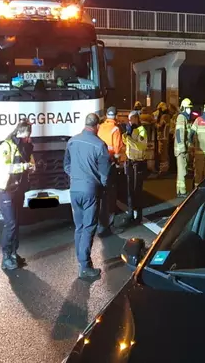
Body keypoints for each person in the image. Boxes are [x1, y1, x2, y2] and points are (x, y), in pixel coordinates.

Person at [63, 113, 112, 279]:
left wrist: (75, 177)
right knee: (89, 227)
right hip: (90, 190)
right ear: (97, 126)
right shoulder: (100, 145)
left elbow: (66, 165)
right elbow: (105, 174)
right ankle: (84, 266)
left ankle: (81, 261)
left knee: (79, 226)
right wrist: (102, 186)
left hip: (74, 189)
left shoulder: (72, 141)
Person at [0, 120, 35, 271]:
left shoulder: (25, 147)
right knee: (10, 223)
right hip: (6, 189)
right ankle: (5, 257)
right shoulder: (6, 147)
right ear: (20, 132)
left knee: (16, 222)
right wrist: (23, 167)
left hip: (18, 189)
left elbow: (30, 162)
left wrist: (31, 167)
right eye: (27, 134)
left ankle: (13, 253)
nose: (28, 137)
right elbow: (5, 167)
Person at [97, 106, 125, 235]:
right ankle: (109, 225)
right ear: (116, 116)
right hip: (110, 164)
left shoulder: (101, 127)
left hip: (99, 164)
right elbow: (118, 150)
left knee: (101, 195)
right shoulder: (115, 129)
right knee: (111, 196)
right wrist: (119, 162)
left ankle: (101, 224)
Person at [122, 110, 148, 224]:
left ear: (137, 118)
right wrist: (125, 135)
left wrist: (129, 138)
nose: (130, 121)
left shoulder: (142, 131)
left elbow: (141, 147)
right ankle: (131, 213)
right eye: (129, 119)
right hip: (130, 162)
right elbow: (126, 143)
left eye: (132, 118)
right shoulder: (130, 130)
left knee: (138, 191)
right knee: (129, 191)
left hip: (138, 163)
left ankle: (139, 216)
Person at [174, 98, 193, 198]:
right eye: (188, 108)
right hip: (181, 150)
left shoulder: (184, 118)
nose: (190, 110)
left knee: (181, 170)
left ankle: (179, 190)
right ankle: (182, 191)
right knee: (182, 171)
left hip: (182, 149)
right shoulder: (181, 118)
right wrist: (182, 148)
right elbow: (179, 134)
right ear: (184, 108)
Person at [152, 102, 172, 174]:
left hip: (162, 138)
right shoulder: (168, 116)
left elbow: (160, 126)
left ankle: (163, 170)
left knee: (162, 154)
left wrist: (155, 123)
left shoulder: (164, 116)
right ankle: (164, 169)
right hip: (165, 137)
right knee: (164, 154)